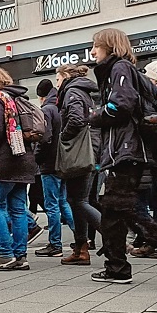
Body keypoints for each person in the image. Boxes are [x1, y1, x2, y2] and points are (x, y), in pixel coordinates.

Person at [89, 29, 157, 287]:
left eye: (96, 46)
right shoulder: (124, 70)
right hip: (126, 151)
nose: (92, 51)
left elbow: (120, 106)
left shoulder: (120, 68)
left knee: (127, 210)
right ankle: (117, 268)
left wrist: (94, 115)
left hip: (125, 152)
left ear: (109, 47)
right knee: (113, 211)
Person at [0, 68, 38, 270]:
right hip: (24, 159)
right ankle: (20, 256)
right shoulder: (18, 98)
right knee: (18, 210)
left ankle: (4, 253)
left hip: (4, 162)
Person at [56, 64, 103, 265]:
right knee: (79, 200)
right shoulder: (87, 91)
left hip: (82, 152)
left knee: (79, 201)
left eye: (57, 79)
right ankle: (81, 249)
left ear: (65, 76)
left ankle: (112, 236)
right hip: (93, 149)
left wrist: (63, 137)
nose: (57, 83)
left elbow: (75, 120)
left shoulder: (72, 91)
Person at [33, 79, 73, 257]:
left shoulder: (47, 110)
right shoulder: (61, 107)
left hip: (49, 164)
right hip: (63, 161)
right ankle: (83, 236)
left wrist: (37, 158)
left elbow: (44, 138)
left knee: (52, 205)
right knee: (63, 202)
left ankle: (55, 244)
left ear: (41, 96)